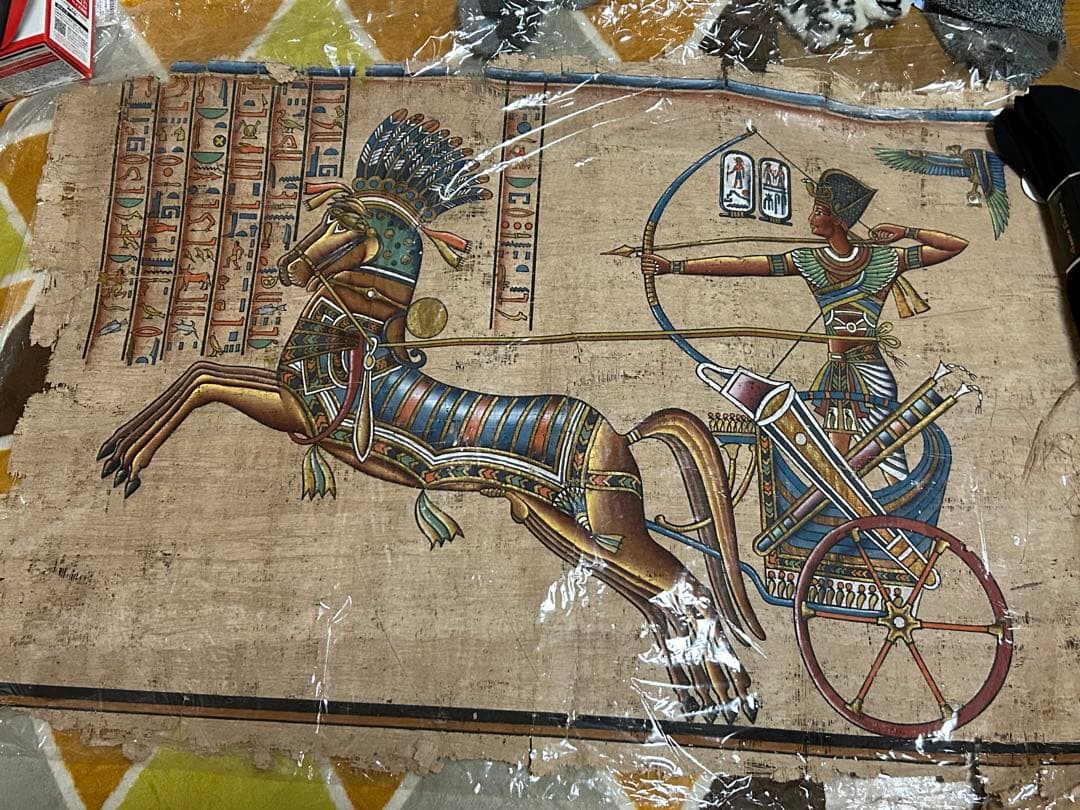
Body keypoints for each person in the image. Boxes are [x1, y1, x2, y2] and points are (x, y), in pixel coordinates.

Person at [641, 168, 968, 482]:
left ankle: (895, 508)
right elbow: (745, 264)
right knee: (835, 464)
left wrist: (907, 232)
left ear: (837, 219)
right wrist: (674, 266)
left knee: (887, 455)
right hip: (837, 370)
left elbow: (955, 245)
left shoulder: (884, 259)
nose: (811, 218)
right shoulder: (811, 260)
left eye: (819, 211)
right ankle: (840, 513)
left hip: (871, 372)